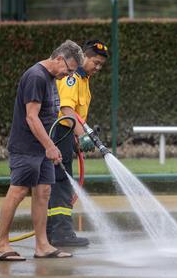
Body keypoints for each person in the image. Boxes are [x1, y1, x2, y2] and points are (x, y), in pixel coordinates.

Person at [0, 40, 84, 262]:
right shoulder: (36, 77)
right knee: (18, 191)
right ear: (60, 59)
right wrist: (49, 146)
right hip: (26, 147)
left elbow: (48, 116)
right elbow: (31, 117)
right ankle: (2, 246)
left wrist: (54, 144)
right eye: (69, 69)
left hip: (42, 149)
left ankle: (42, 245)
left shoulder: (52, 78)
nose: (68, 75)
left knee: (43, 192)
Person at [47, 39, 109, 246]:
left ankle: (53, 232)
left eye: (101, 64)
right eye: (95, 62)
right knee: (61, 183)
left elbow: (76, 116)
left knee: (59, 182)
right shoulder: (72, 78)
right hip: (59, 134)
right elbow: (66, 110)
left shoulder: (84, 79)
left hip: (65, 134)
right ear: (84, 56)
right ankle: (61, 234)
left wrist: (78, 136)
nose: (98, 67)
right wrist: (82, 136)